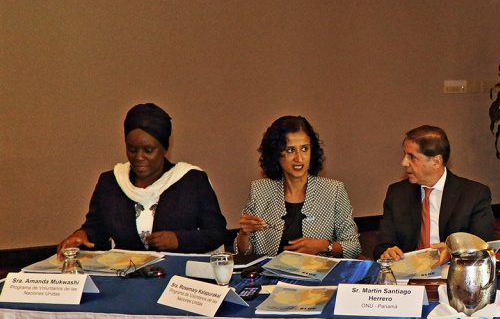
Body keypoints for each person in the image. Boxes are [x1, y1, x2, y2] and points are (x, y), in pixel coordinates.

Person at [57, 103, 227, 254]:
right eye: (132, 149)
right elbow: (96, 229)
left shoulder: (191, 181)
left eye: (148, 150)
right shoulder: (111, 182)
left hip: (179, 276)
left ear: (164, 148)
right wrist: (82, 235)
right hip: (125, 274)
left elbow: (217, 233)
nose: (139, 157)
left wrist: (179, 240)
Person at [235, 116, 361, 258]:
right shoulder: (260, 190)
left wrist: (324, 246)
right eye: (290, 150)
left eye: (305, 149)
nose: (299, 158)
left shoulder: (334, 190)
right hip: (270, 272)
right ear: (276, 154)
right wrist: (244, 233)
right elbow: (244, 253)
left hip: (317, 271)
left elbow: (354, 247)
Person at [374, 125, 494, 261]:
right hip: (408, 271)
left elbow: (482, 247)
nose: (404, 162)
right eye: (405, 155)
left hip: (455, 270)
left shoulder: (474, 194)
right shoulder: (397, 194)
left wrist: (454, 253)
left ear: (436, 161)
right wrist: (387, 252)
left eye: (412, 157)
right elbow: (382, 246)